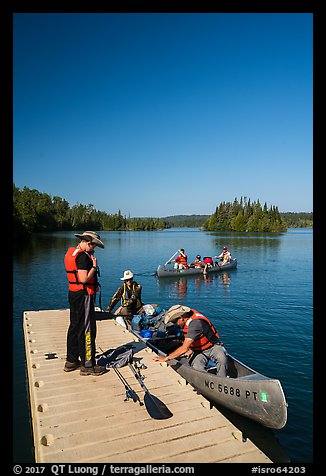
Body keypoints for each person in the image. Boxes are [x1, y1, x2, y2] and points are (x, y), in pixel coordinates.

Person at [63, 231, 107, 376]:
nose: (94, 250)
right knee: (87, 329)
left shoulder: (71, 252)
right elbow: (83, 279)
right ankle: (88, 365)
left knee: (75, 326)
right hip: (84, 296)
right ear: (89, 243)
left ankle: (71, 360)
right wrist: (94, 267)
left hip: (74, 294)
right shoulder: (83, 257)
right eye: (94, 247)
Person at [154, 304, 228, 376]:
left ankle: (222, 379)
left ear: (181, 318)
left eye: (175, 322)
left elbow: (184, 348)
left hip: (213, 347)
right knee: (197, 367)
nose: (174, 324)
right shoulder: (188, 316)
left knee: (222, 359)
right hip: (198, 350)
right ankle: (205, 380)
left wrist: (166, 358)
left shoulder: (195, 324)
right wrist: (191, 350)